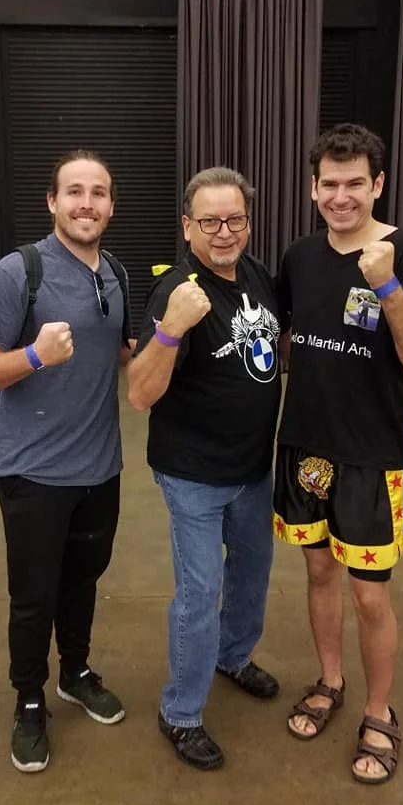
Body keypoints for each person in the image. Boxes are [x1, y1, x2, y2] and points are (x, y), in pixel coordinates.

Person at [274, 123, 403, 784]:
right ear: (312, 187)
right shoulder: (299, 256)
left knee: (370, 597)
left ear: (378, 184)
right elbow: (284, 338)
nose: (341, 197)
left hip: (373, 456)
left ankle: (379, 711)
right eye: (329, 184)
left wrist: (388, 285)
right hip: (305, 448)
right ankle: (330, 680)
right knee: (319, 574)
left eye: (355, 183)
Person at [0, 150, 132, 773]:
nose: (87, 203)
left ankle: (75, 672)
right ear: (52, 202)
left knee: (83, 580)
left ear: (110, 205)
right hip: (32, 471)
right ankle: (30, 699)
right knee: (34, 595)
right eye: (75, 191)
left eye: (98, 192)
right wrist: (34, 355)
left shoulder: (114, 272)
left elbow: (120, 355)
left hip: (101, 467)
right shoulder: (20, 272)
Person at [127, 166, 282, 770]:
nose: (224, 232)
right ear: (188, 226)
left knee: (251, 576)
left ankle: (233, 656)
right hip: (193, 474)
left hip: (254, 468)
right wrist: (171, 330)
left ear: (248, 222)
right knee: (200, 592)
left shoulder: (258, 275)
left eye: (235, 219)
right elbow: (140, 394)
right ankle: (181, 712)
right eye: (210, 221)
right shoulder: (176, 291)